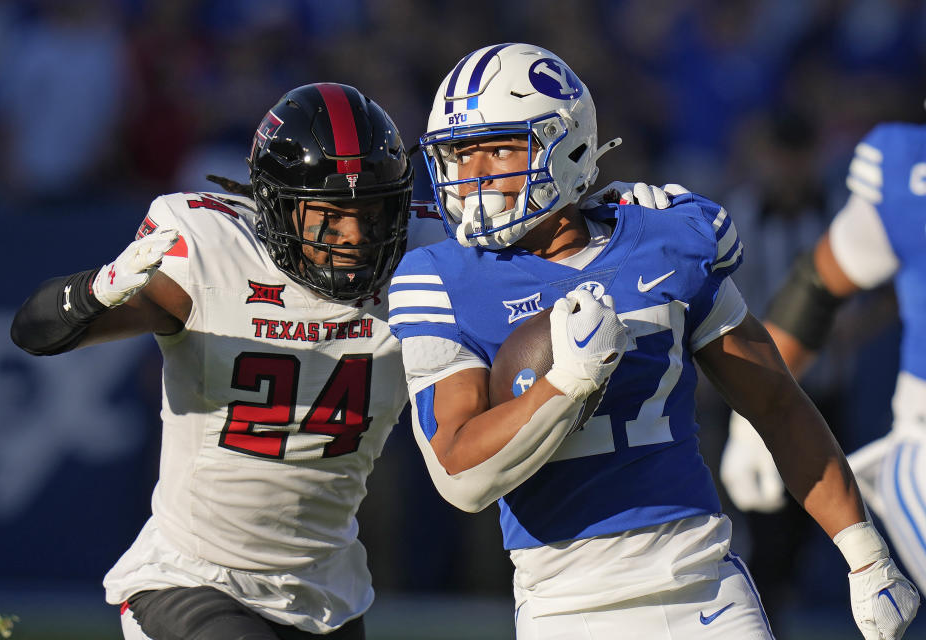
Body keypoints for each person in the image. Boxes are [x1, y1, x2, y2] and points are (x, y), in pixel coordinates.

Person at [387, 42, 919, 639]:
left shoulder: (664, 241)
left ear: (569, 144)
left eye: (499, 148)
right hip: (565, 607)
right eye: (461, 153)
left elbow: (775, 401)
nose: (474, 173)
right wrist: (567, 384)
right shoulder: (440, 277)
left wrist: (864, 552)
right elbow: (460, 475)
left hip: (704, 591)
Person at [10, 83, 443, 640]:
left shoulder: (424, 267)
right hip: (194, 579)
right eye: (329, 218)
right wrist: (99, 288)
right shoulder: (213, 255)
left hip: (326, 593)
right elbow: (33, 331)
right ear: (279, 209)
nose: (355, 237)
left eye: (372, 213)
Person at [720, 120, 926, 593]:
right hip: (812, 399)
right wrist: (754, 412)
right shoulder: (905, 169)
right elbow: (815, 287)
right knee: (771, 546)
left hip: (834, 394)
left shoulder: (893, 169)